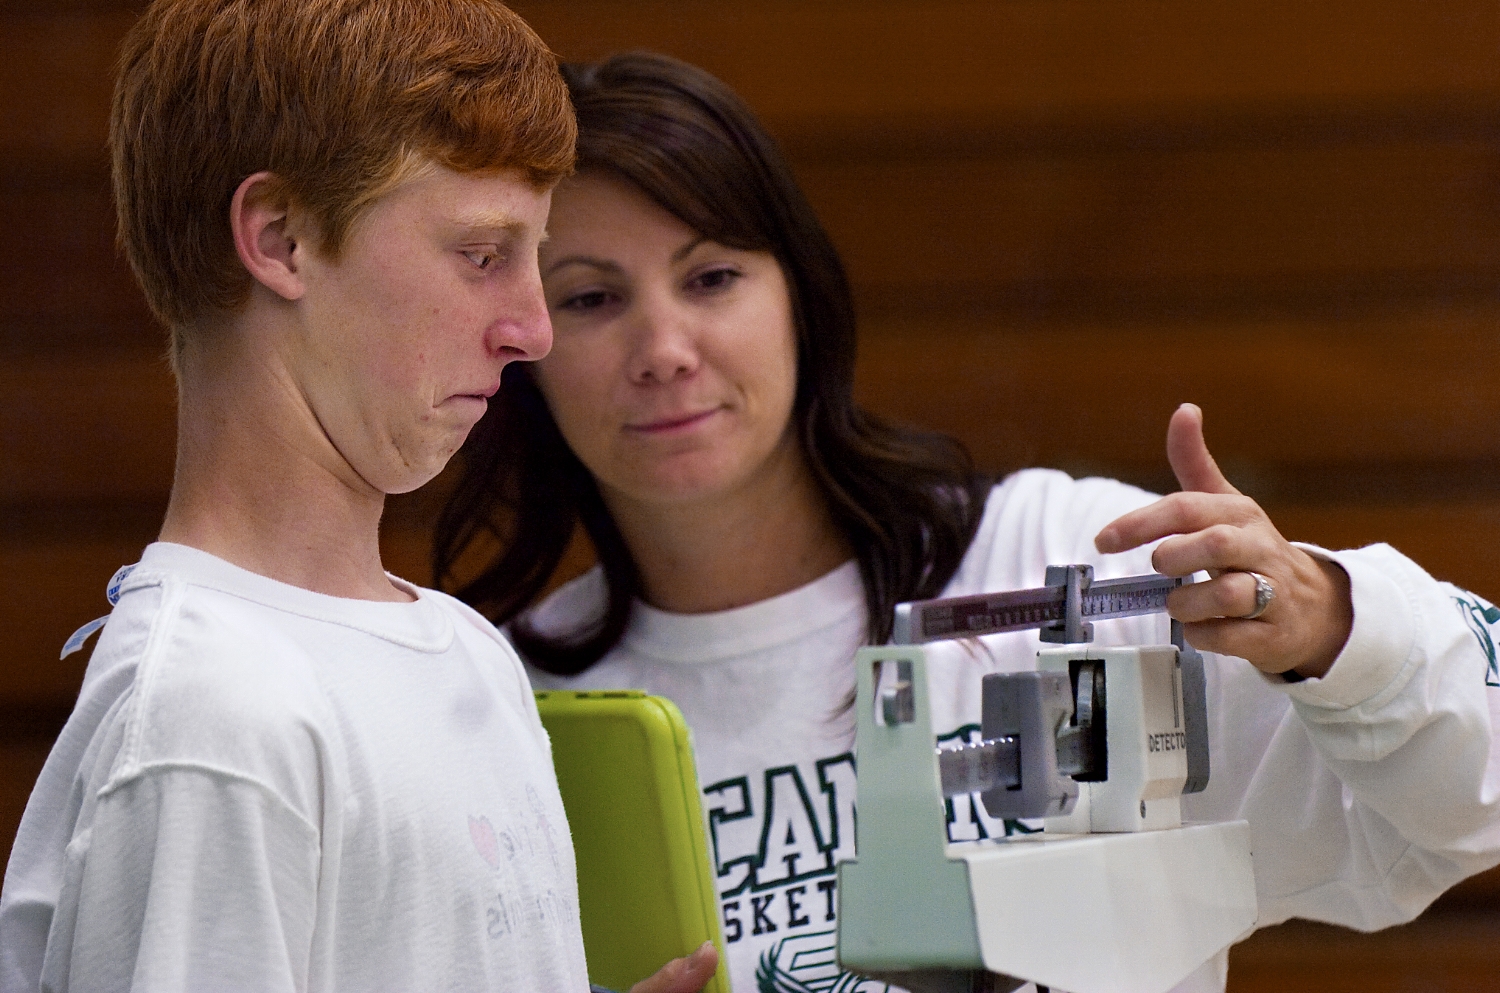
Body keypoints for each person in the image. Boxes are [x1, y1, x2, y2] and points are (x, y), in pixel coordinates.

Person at [433, 51, 1500, 993]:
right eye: (590, 299)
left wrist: (1330, 624)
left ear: (800, 295)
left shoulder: (1069, 558)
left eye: (712, 277)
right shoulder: (504, 713)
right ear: (519, 345)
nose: (664, 347)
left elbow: (1464, 810)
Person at [0, 6, 722, 992]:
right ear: (283, 238)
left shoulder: (467, 653)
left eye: (536, 257)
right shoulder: (212, 721)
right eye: (481, 254)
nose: (532, 328)